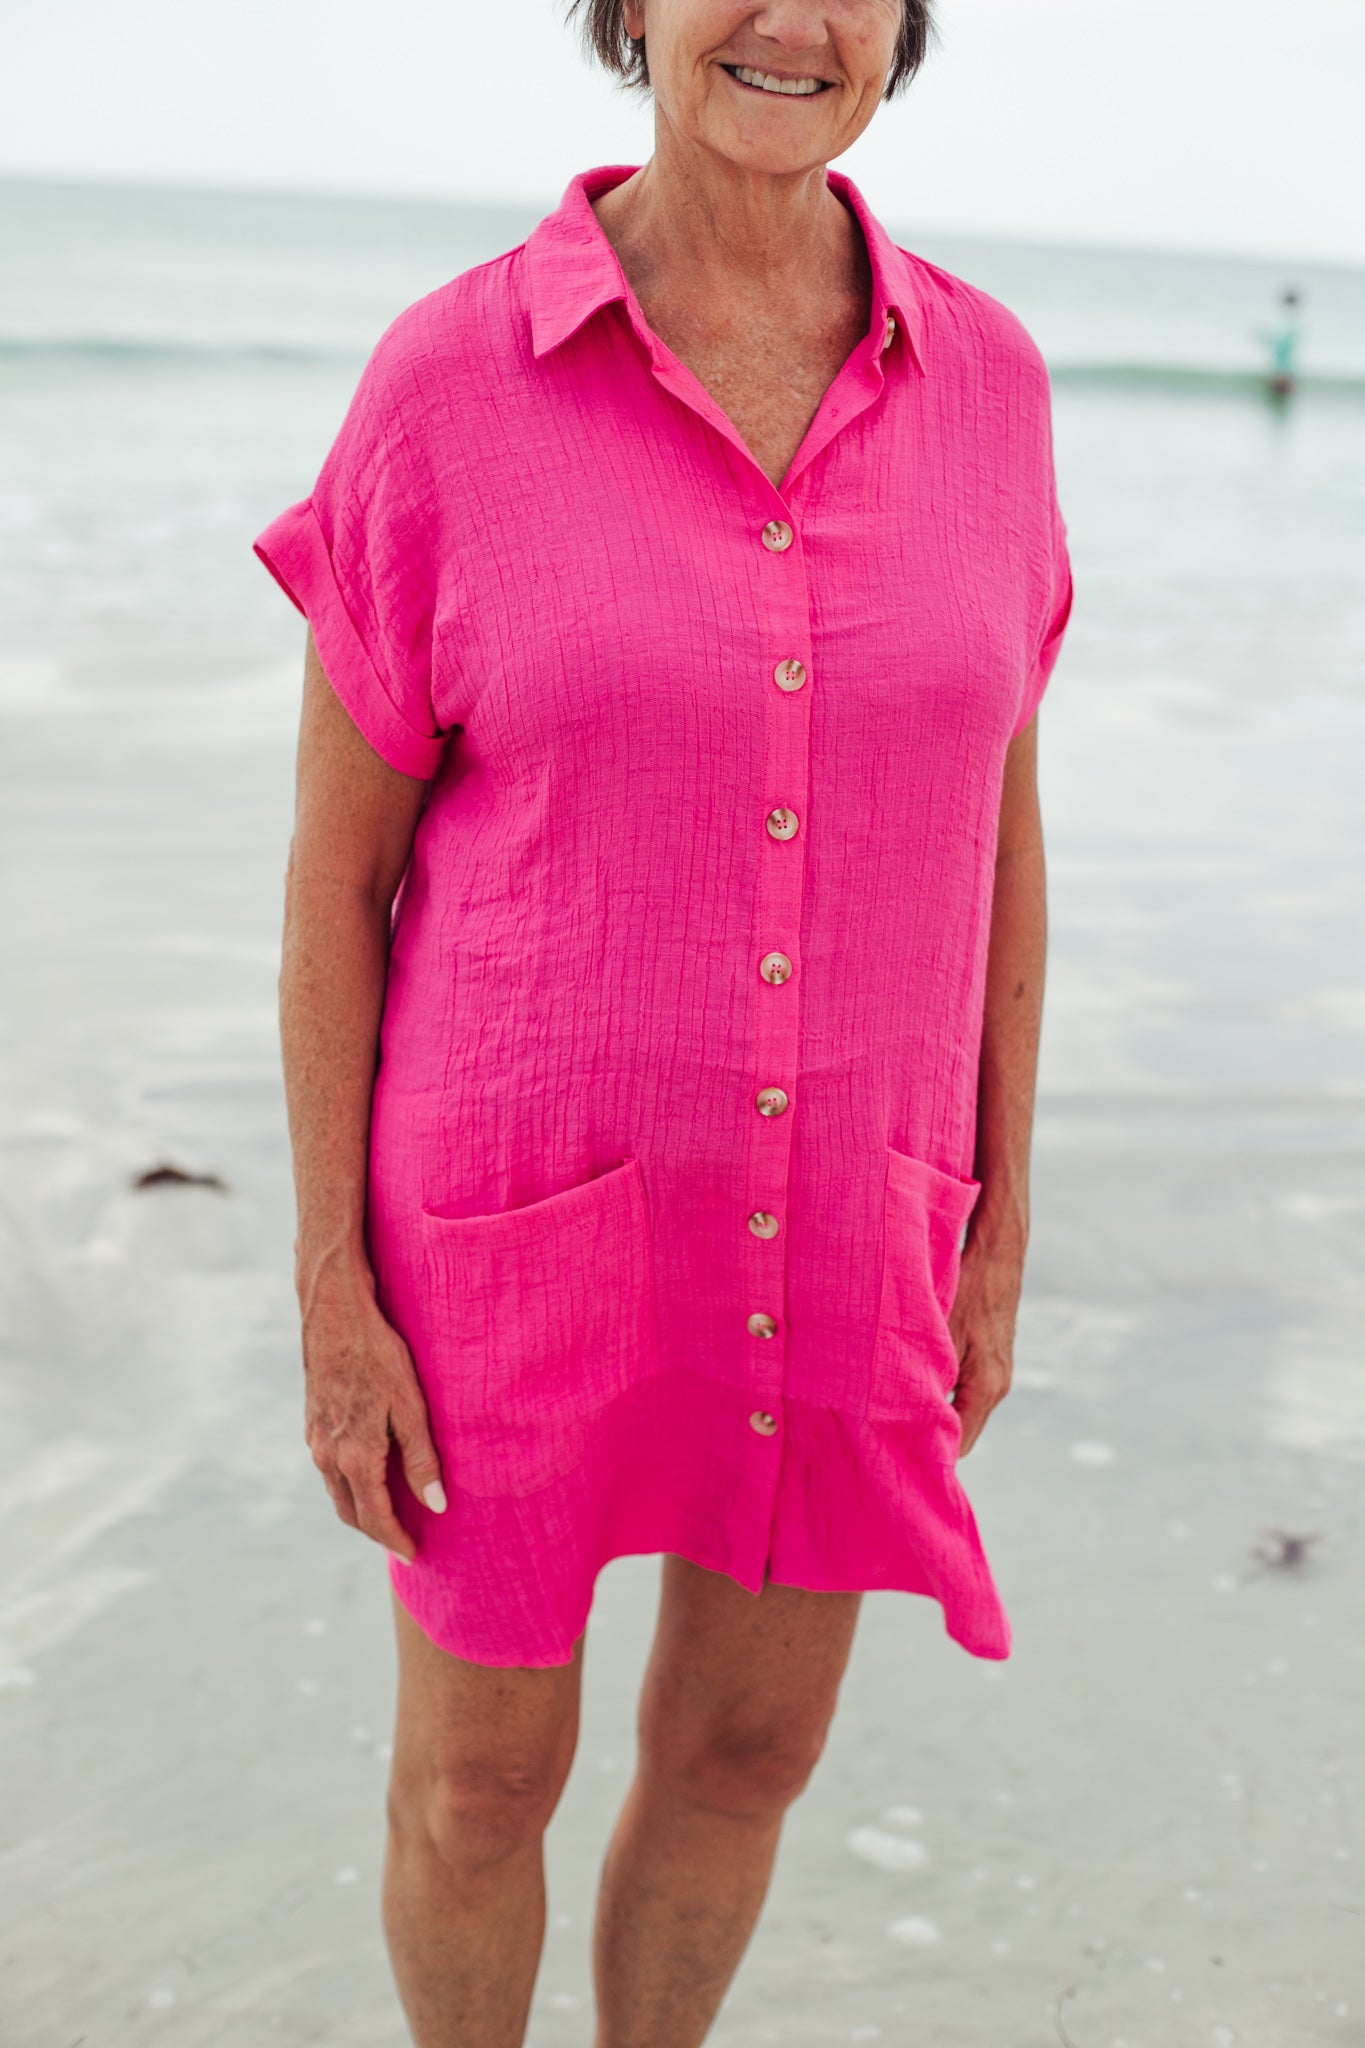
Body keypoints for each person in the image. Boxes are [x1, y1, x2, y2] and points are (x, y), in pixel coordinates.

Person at [253, 1, 1072, 2039]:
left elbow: (1000, 835)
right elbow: (333, 881)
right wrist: (330, 1292)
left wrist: (998, 1226)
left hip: (850, 1214)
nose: (787, 18)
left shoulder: (988, 386)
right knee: (477, 1782)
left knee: (743, 1759)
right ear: (626, 8)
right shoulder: (451, 379)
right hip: (510, 1228)